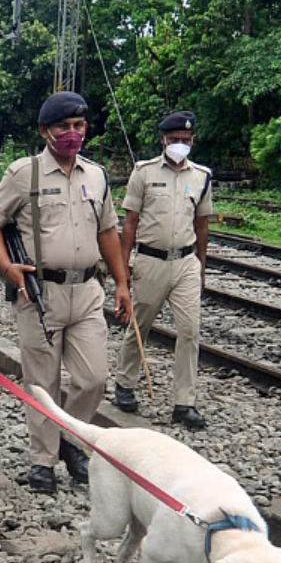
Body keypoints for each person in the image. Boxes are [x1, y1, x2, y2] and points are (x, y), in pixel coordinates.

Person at [0, 92, 132, 494]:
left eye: (78, 126)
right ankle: (42, 459)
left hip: (86, 291)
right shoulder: (22, 174)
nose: (71, 134)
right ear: (45, 131)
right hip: (40, 294)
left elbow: (107, 232)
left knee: (93, 378)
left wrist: (121, 283)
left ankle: (70, 438)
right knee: (42, 380)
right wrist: (8, 268)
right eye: (62, 127)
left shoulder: (96, 176)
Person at [112, 111, 213, 430]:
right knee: (139, 324)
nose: (180, 146)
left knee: (189, 331)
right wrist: (122, 270)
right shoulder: (143, 173)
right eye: (174, 140)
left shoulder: (202, 176)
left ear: (192, 141)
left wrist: (201, 264)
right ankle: (125, 383)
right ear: (163, 140)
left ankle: (185, 402)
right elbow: (130, 222)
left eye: (185, 141)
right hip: (150, 261)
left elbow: (202, 223)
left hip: (185, 262)